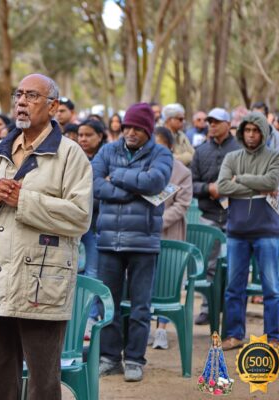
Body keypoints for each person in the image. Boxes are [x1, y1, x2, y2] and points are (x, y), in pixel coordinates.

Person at [0, 73, 92, 400]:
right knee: (0, 373)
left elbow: (80, 216)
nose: (21, 102)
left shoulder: (70, 155)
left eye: (32, 96)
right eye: (19, 94)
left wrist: (24, 201)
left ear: (53, 106)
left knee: (43, 380)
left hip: (41, 283)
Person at [92, 103, 172, 382]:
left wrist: (119, 177)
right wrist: (131, 190)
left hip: (143, 241)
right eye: (128, 126)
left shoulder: (161, 153)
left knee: (140, 305)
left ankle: (135, 359)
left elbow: (155, 182)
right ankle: (110, 358)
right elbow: (94, 183)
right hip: (108, 241)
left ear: (148, 130)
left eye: (137, 128)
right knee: (108, 304)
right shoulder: (107, 150)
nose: (131, 132)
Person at [217, 111, 279, 350]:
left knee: (271, 288)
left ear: (264, 132)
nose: (251, 135)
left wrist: (241, 180)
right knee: (234, 287)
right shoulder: (232, 157)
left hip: (267, 231)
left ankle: (272, 337)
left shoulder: (277, 156)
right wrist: (255, 184)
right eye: (247, 130)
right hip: (236, 231)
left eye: (256, 130)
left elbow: (272, 183)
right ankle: (235, 334)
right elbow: (222, 186)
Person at [190, 108, 241, 325]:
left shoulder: (240, 150)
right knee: (209, 264)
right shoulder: (200, 151)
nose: (212, 125)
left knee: (234, 264)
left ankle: (230, 312)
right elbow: (191, 184)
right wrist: (208, 188)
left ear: (228, 124)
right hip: (208, 215)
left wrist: (230, 187)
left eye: (217, 122)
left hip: (235, 215)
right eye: (210, 121)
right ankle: (207, 308)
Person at [151, 126, 193, 350]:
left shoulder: (182, 172)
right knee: (145, 281)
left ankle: (162, 329)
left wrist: (158, 221)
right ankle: (145, 325)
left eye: (161, 145)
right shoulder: (143, 166)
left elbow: (182, 205)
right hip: (144, 234)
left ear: (170, 147)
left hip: (170, 233)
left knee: (167, 281)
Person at [77, 119, 106, 332]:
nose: (83, 139)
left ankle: (91, 316)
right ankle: (76, 316)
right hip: (76, 223)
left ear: (100, 136)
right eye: (80, 135)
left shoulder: (106, 158)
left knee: (93, 271)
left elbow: (101, 192)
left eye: (88, 135)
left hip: (97, 224)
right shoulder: (75, 157)